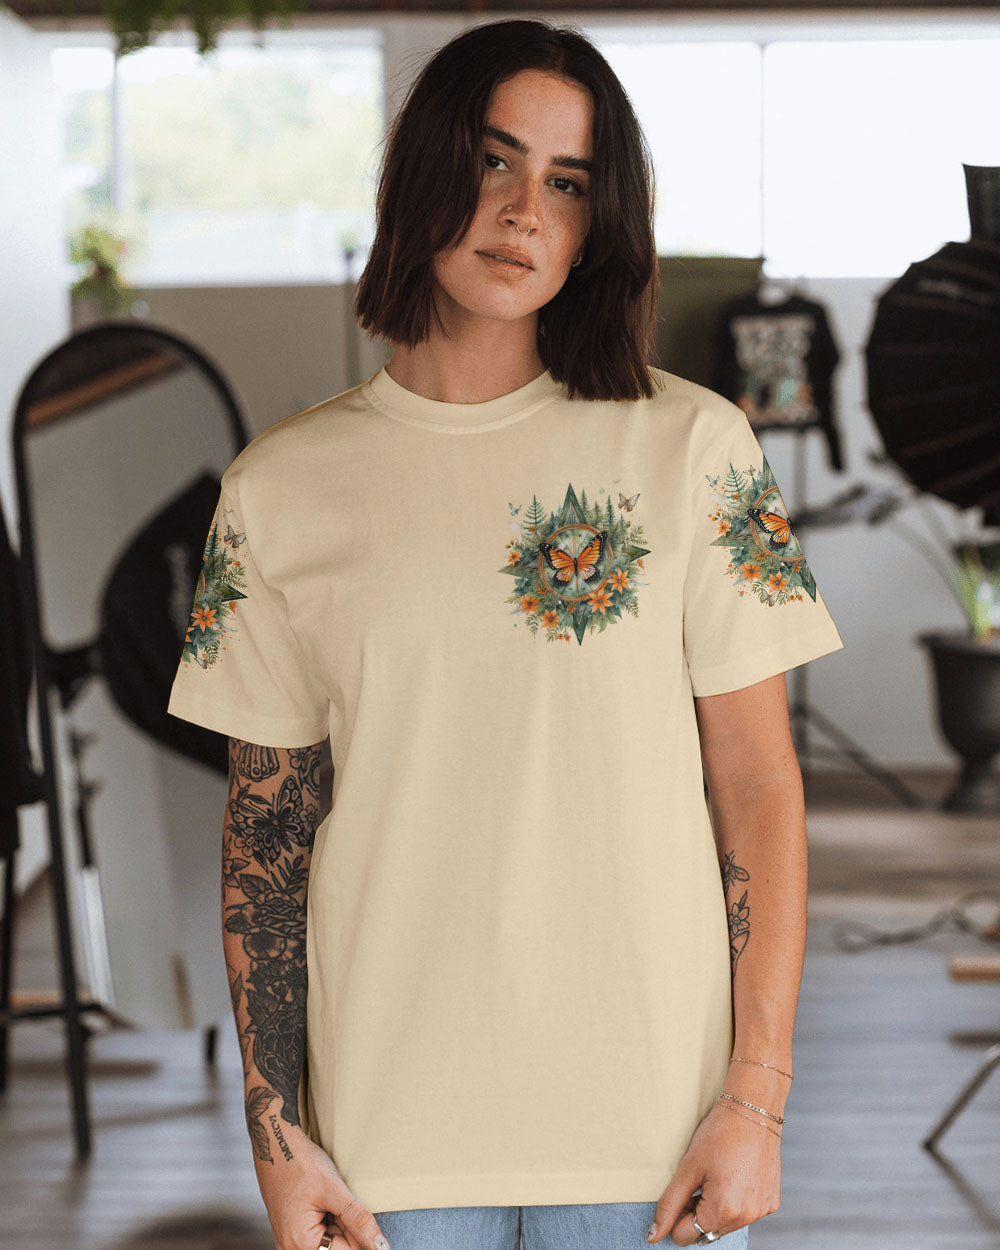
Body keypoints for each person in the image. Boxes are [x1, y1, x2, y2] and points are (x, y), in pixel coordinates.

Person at [167, 18, 844, 1250]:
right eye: (493, 161)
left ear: (598, 223)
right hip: (384, 1150)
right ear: (422, 170)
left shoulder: (693, 447)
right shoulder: (279, 487)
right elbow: (266, 829)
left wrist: (757, 1097)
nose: (525, 209)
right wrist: (274, 1131)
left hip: (657, 1139)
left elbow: (757, 786)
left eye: (568, 182)